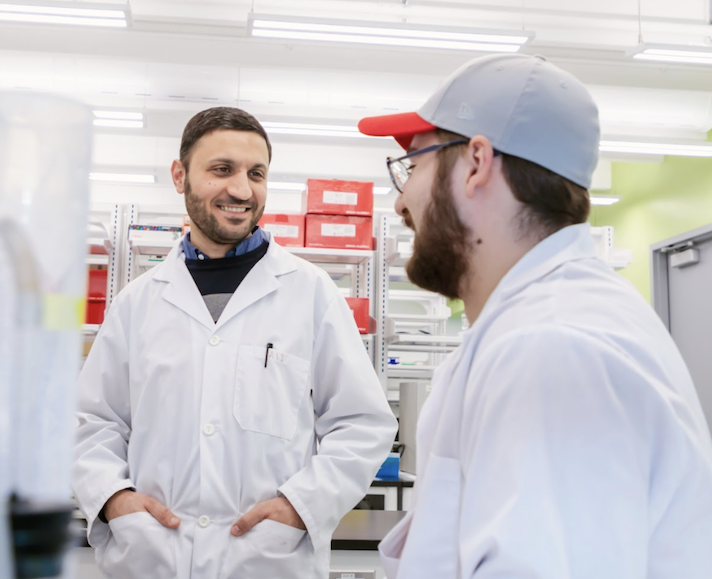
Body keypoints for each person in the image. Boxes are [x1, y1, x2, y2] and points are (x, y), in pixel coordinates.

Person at [358, 54, 712, 578]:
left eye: (414, 166)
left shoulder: (554, 349)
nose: (400, 201)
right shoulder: (541, 325)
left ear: (476, 162)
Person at [73, 106, 398, 579]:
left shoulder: (310, 293)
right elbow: (94, 424)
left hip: (266, 560)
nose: (242, 190)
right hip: (152, 558)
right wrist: (114, 500)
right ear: (180, 175)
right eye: (222, 170)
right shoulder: (136, 303)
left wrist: (299, 506)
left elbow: (362, 424)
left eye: (256, 173)